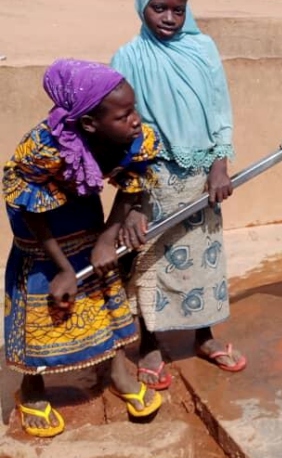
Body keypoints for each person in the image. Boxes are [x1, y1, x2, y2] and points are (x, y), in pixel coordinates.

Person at [4, 59, 163, 438]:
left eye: (134, 110)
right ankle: (32, 388)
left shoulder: (134, 137)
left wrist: (108, 238)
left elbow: (132, 183)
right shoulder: (42, 148)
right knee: (45, 296)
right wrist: (62, 267)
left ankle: (118, 371)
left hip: (80, 200)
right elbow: (30, 208)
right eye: (124, 115)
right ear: (89, 124)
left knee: (102, 281)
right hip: (37, 221)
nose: (136, 120)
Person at [111, 0, 246, 389]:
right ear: (142, 7)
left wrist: (219, 164)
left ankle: (203, 336)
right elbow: (121, 127)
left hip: (202, 175)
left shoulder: (203, 49)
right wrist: (131, 196)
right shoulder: (128, 57)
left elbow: (219, 106)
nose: (169, 17)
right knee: (150, 261)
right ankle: (150, 343)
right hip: (153, 176)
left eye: (178, 9)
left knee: (202, 260)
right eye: (159, 8)